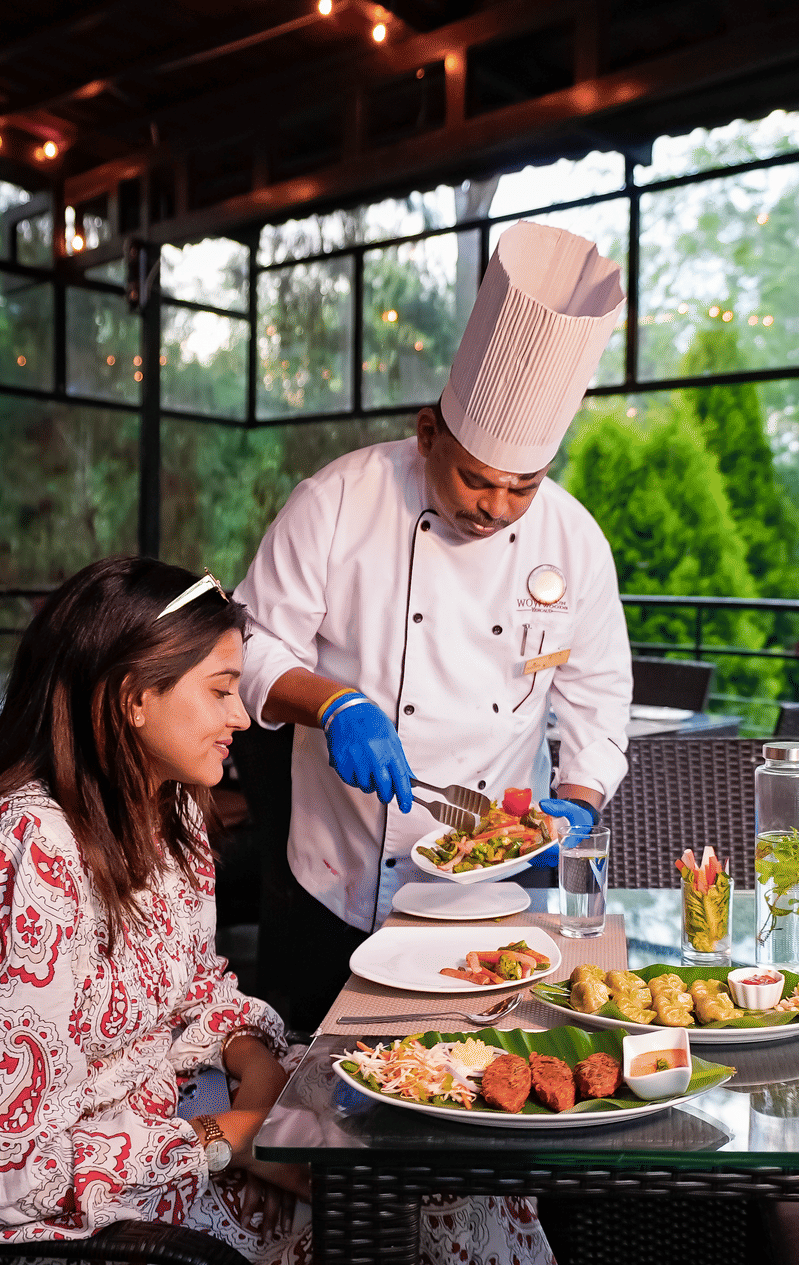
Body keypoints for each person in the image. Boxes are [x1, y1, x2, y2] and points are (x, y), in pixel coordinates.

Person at [235, 221, 634, 1025]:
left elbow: (597, 698)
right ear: (427, 434)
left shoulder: (573, 539)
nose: (496, 506)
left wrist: (580, 802)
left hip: (493, 880)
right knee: (319, 1104)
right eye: (477, 479)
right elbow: (248, 645)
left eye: (523, 486)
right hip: (334, 876)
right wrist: (332, 702)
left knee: (474, 1081)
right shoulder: (339, 500)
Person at [0, 557, 311, 1265]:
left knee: (414, 1173)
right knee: (394, 1211)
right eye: (221, 691)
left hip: (153, 1146)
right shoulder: (20, 861)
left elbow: (192, 987)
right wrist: (226, 1140)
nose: (241, 716)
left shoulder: (169, 808)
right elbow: (3, 1175)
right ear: (132, 698)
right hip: (38, 1232)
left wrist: (256, 1074)